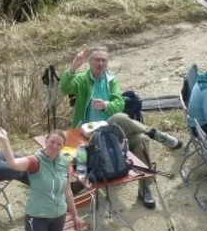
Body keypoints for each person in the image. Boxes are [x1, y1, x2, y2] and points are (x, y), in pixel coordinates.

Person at [60, 45, 183, 209]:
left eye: (104, 60)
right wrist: (73, 67)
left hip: (111, 131)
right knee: (119, 118)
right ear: (90, 62)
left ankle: (144, 188)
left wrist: (106, 105)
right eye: (97, 59)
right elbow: (65, 88)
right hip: (89, 134)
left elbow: (119, 103)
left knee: (141, 140)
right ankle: (154, 132)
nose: (101, 63)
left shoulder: (111, 79)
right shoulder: (83, 79)